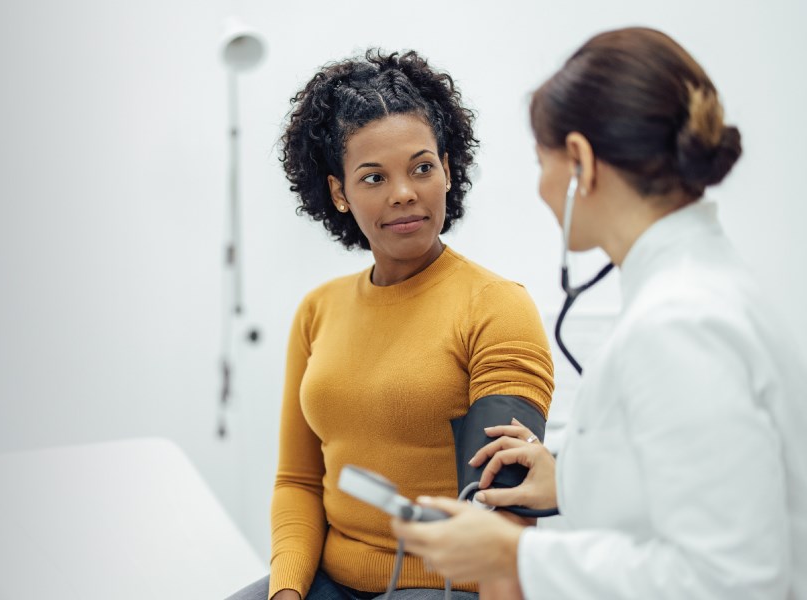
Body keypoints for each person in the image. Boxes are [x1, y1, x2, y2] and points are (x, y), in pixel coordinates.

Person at [392, 27, 807, 599]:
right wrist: (574, 479)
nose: (540, 188)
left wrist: (516, 554)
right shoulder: (699, 291)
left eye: (543, 162)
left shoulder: (680, 324)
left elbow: (733, 581)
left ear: (581, 161)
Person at [227, 49, 554, 600]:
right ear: (338, 192)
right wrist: (285, 592)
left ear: (448, 171)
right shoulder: (318, 311)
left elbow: (504, 514)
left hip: (445, 586)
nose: (403, 192)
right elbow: (299, 482)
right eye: (374, 176)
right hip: (330, 581)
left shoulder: (496, 307)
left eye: (422, 168)